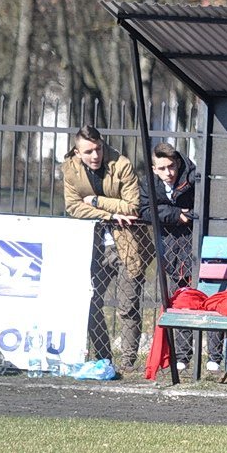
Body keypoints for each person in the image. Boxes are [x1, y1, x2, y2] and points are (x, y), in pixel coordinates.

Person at [62, 125, 149, 369]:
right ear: (78, 153)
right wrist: (109, 214)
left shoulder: (121, 164)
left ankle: (128, 362)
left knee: (128, 306)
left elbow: (133, 207)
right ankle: (103, 357)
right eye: (88, 151)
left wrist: (97, 201)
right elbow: (73, 207)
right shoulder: (70, 170)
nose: (95, 155)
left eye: (98, 148)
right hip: (93, 245)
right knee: (90, 301)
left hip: (128, 243)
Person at [137, 142, 222, 373]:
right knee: (181, 300)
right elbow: (145, 210)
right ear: (154, 169)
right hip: (170, 249)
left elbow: (206, 205)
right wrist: (176, 215)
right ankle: (183, 355)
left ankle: (215, 356)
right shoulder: (149, 184)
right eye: (162, 168)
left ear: (177, 162)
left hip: (196, 246)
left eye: (171, 166)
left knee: (210, 299)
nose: (168, 173)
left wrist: (188, 216)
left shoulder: (192, 177)